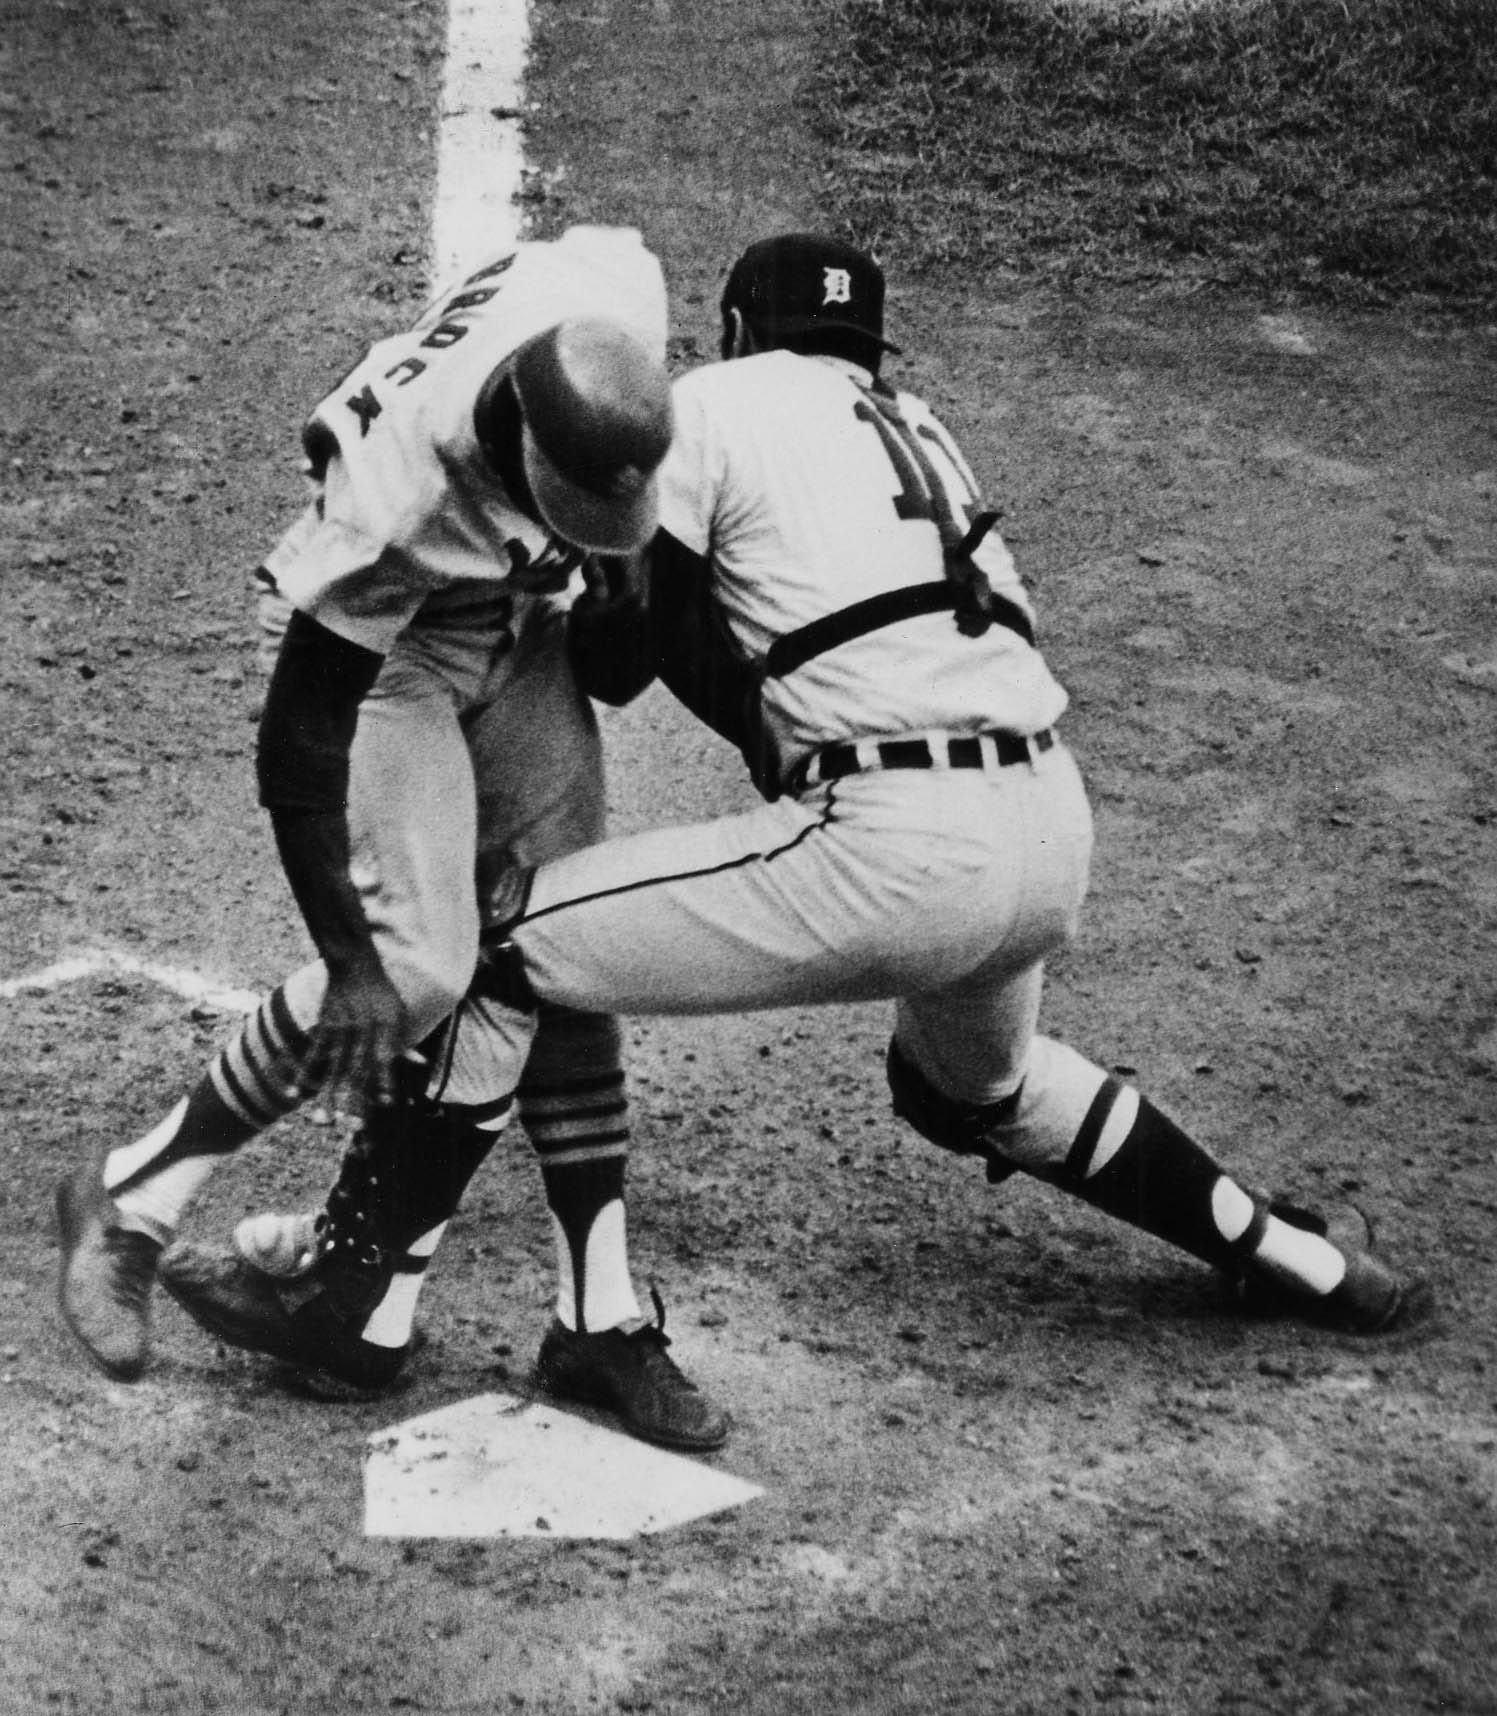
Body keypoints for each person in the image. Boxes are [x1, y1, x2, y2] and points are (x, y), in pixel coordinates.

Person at [158, 231, 1406, 1426]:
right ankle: (1288, 1251)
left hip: (903, 849)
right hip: (1045, 830)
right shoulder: (920, 433)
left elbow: (618, 660)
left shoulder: (700, 408)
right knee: (984, 1087)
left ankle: (361, 1298)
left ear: (738, 331)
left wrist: (619, 617)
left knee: (499, 935)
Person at [54, 223, 730, 1453]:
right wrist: (353, 965)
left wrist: (624, 569)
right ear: (512, 448)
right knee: (421, 967)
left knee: (568, 931)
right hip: (395, 666)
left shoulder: (612, 301)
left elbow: (627, 648)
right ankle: (131, 1198)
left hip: (511, 634)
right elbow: (298, 738)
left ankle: (601, 1314)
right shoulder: (396, 500)